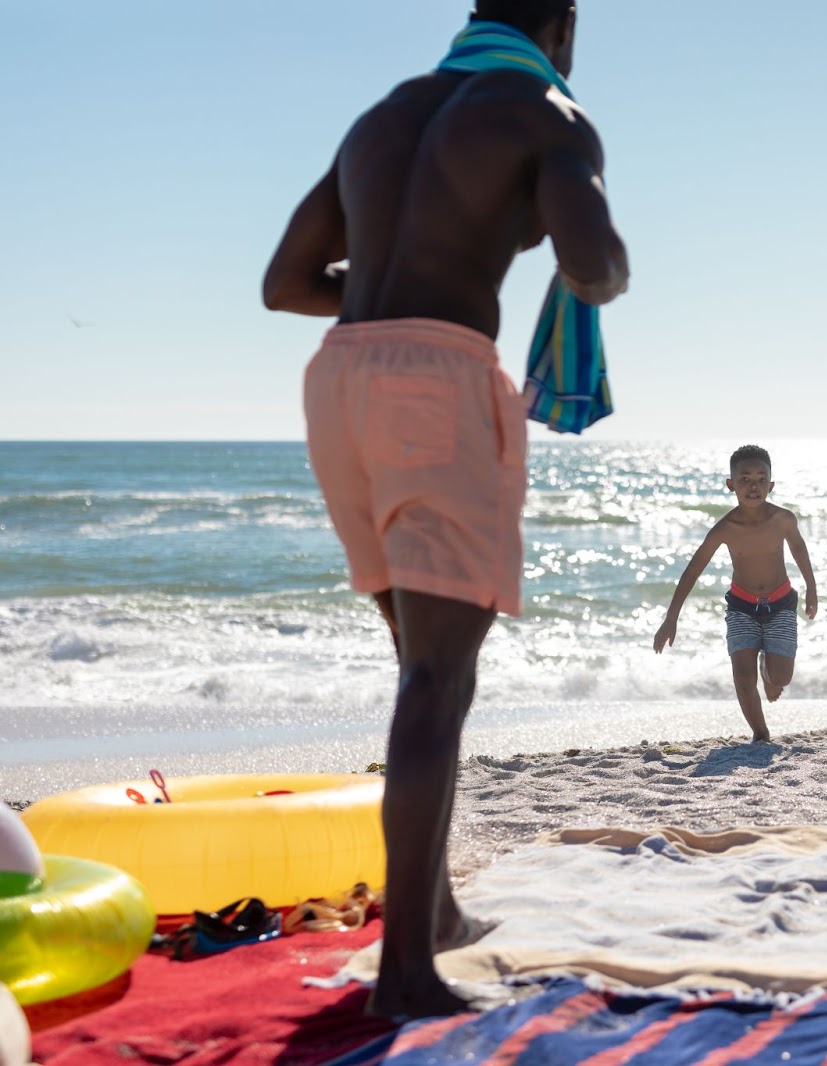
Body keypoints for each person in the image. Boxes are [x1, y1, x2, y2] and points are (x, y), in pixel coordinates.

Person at [260, 0, 628, 1020]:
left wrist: (395, 284)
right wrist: (606, 268)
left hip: (338, 384)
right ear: (559, 27)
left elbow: (284, 282)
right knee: (436, 677)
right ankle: (405, 976)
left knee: (416, 667)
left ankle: (440, 912)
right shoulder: (550, 113)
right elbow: (592, 264)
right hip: (436, 380)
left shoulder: (380, 118)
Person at [654, 445, 819, 741]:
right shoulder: (725, 528)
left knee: (781, 676)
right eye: (744, 479)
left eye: (760, 479)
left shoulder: (783, 519)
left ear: (771, 484)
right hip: (741, 607)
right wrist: (671, 618)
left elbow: (799, 550)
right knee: (743, 677)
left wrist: (811, 589)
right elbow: (692, 571)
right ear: (731, 485)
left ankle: (768, 672)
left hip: (781, 603)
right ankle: (760, 733)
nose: (752, 486)